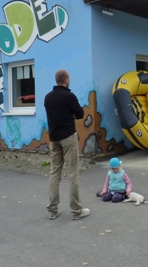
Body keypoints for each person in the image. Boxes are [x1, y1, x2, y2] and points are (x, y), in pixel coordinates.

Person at [44, 69, 90, 220]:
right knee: (73, 174)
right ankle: (76, 211)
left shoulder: (48, 97)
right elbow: (80, 114)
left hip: (54, 138)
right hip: (68, 138)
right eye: (69, 78)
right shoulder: (69, 96)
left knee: (54, 173)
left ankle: (52, 210)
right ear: (66, 80)